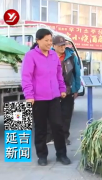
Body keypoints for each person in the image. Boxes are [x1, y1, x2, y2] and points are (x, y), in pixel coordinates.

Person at [21, 29, 71, 166]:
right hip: (38, 99)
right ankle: (42, 156)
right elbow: (26, 77)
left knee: (58, 126)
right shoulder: (31, 56)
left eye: (50, 40)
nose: (49, 43)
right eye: (46, 40)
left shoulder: (54, 55)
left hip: (54, 97)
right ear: (38, 41)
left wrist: (62, 89)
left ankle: (62, 154)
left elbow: (58, 75)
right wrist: (29, 95)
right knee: (41, 128)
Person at [46, 35, 81, 145]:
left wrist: (76, 89)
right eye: (60, 46)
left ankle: (64, 137)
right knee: (51, 115)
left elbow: (77, 73)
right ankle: (50, 137)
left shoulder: (71, 56)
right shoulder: (48, 55)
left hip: (67, 90)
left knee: (66, 115)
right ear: (54, 46)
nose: (62, 48)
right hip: (52, 92)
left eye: (64, 45)